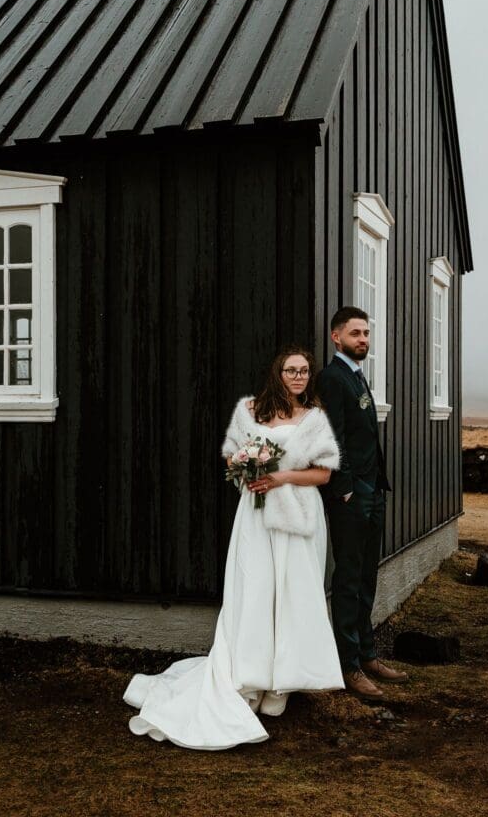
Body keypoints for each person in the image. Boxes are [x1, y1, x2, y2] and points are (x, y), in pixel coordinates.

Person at [124, 346, 344, 750]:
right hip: (257, 514)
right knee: (256, 588)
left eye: (305, 372)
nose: (299, 377)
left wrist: (279, 476)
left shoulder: (314, 417)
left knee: (294, 592)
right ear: (277, 373)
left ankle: (283, 683)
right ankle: (250, 675)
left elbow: (324, 474)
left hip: (298, 513)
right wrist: (249, 468)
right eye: (291, 370)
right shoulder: (250, 410)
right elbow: (232, 460)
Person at [315, 307, 408, 700]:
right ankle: (349, 665)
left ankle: (368, 655)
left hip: (373, 491)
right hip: (351, 495)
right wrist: (348, 487)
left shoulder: (356, 375)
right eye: (356, 333)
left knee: (368, 574)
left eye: (367, 333)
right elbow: (332, 437)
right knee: (349, 578)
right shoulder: (332, 379)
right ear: (337, 337)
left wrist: (375, 485)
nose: (363, 339)